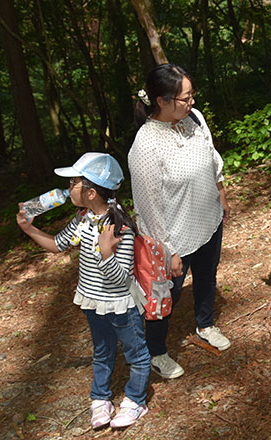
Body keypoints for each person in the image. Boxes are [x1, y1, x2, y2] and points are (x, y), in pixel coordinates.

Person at [16, 152, 150, 429]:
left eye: (74, 182)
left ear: (90, 192)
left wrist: (105, 252)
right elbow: (58, 245)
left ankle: (136, 400)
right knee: (102, 351)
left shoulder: (120, 226)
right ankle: (100, 398)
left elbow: (120, 278)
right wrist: (29, 229)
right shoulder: (84, 220)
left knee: (136, 354)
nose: (68, 188)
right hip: (93, 302)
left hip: (121, 304)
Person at [129, 64, 231, 380]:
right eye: (185, 99)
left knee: (206, 276)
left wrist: (221, 193)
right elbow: (147, 208)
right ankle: (156, 350)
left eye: (191, 96)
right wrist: (167, 250)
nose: (192, 104)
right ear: (161, 100)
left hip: (207, 220)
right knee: (165, 295)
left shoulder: (194, 120)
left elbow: (211, 158)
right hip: (172, 236)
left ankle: (205, 323)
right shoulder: (146, 145)